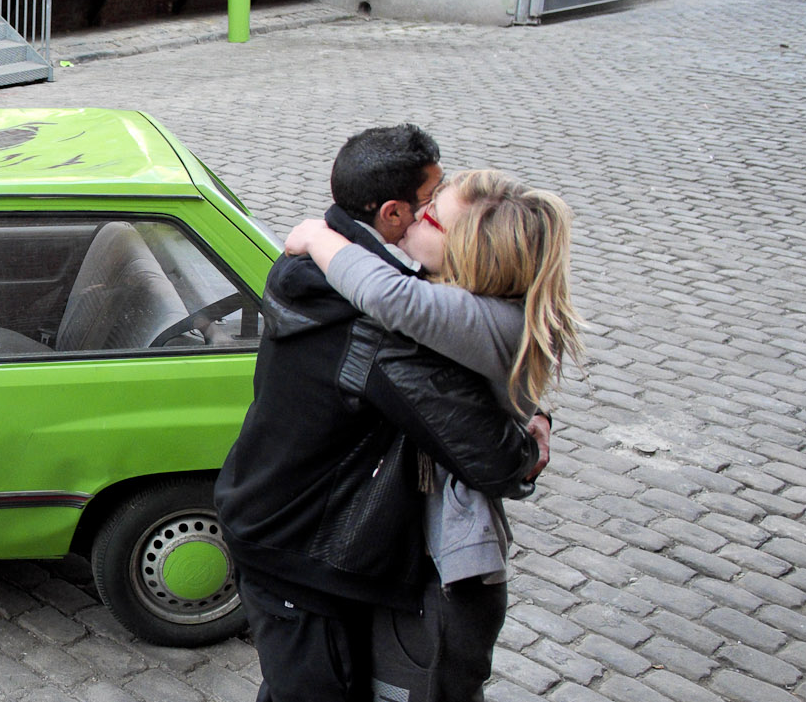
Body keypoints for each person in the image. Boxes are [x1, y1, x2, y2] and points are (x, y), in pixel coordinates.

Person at [212, 125, 542, 702]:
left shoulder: (323, 258)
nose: (439, 208)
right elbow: (493, 460)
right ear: (393, 214)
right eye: (432, 202)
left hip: (276, 519)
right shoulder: (379, 327)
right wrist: (531, 446)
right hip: (301, 553)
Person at [282, 169, 580, 701]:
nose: (415, 218)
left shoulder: (476, 317)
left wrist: (314, 235)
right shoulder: (489, 311)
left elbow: (387, 296)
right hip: (420, 561)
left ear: (468, 252)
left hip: (448, 574)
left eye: (431, 215)